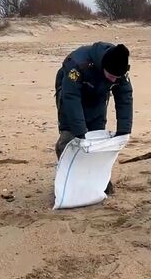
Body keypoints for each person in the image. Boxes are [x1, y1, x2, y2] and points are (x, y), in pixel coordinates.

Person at [54, 42, 133, 194]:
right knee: (70, 137)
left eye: (117, 78)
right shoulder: (77, 64)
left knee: (96, 136)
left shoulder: (119, 70)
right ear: (103, 66)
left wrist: (124, 129)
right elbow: (71, 97)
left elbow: (125, 97)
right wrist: (80, 131)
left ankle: (96, 180)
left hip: (98, 96)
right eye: (111, 76)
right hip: (70, 93)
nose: (114, 80)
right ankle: (69, 181)